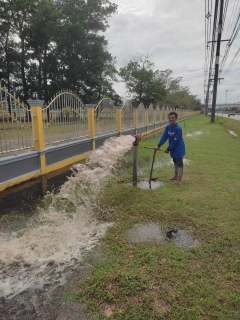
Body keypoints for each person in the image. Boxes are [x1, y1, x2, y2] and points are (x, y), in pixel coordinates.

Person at [154, 111, 185, 185]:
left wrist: (168, 149)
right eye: (170, 118)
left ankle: (179, 180)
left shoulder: (178, 129)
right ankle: (175, 175)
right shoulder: (168, 126)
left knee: (179, 163)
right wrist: (159, 145)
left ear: (176, 119)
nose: (171, 119)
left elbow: (175, 140)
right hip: (173, 148)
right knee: (175, 161)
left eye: (173, 118)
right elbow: (164, 136)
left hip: (178, 148)